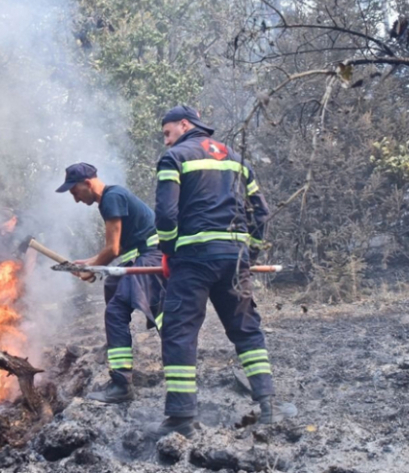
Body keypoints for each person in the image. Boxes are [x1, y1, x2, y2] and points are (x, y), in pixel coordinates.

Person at [154, 105, 281, 437]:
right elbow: (261, 213)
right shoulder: (238, 160)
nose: (166, 142)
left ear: (184, 125)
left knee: (179, 332)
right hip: (235, 260)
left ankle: (182, 416)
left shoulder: (175, 159)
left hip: (193, 260)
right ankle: (268, 405)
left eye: (168, 133)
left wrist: (169, 251)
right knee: (246, 330)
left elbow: (166, 216)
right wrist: (249, 253)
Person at [56, 163, 165, 403]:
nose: (75, 199)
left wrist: (91, 267)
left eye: (74, 192)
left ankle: (121, 384)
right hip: (141, 256)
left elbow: (112, 248)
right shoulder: (112, 198)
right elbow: (119, 248)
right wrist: (89, 264)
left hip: (150, 257)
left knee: (117, 311)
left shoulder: (111, 198)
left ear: (87, 183)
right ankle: (118, 350)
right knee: (112, 287)